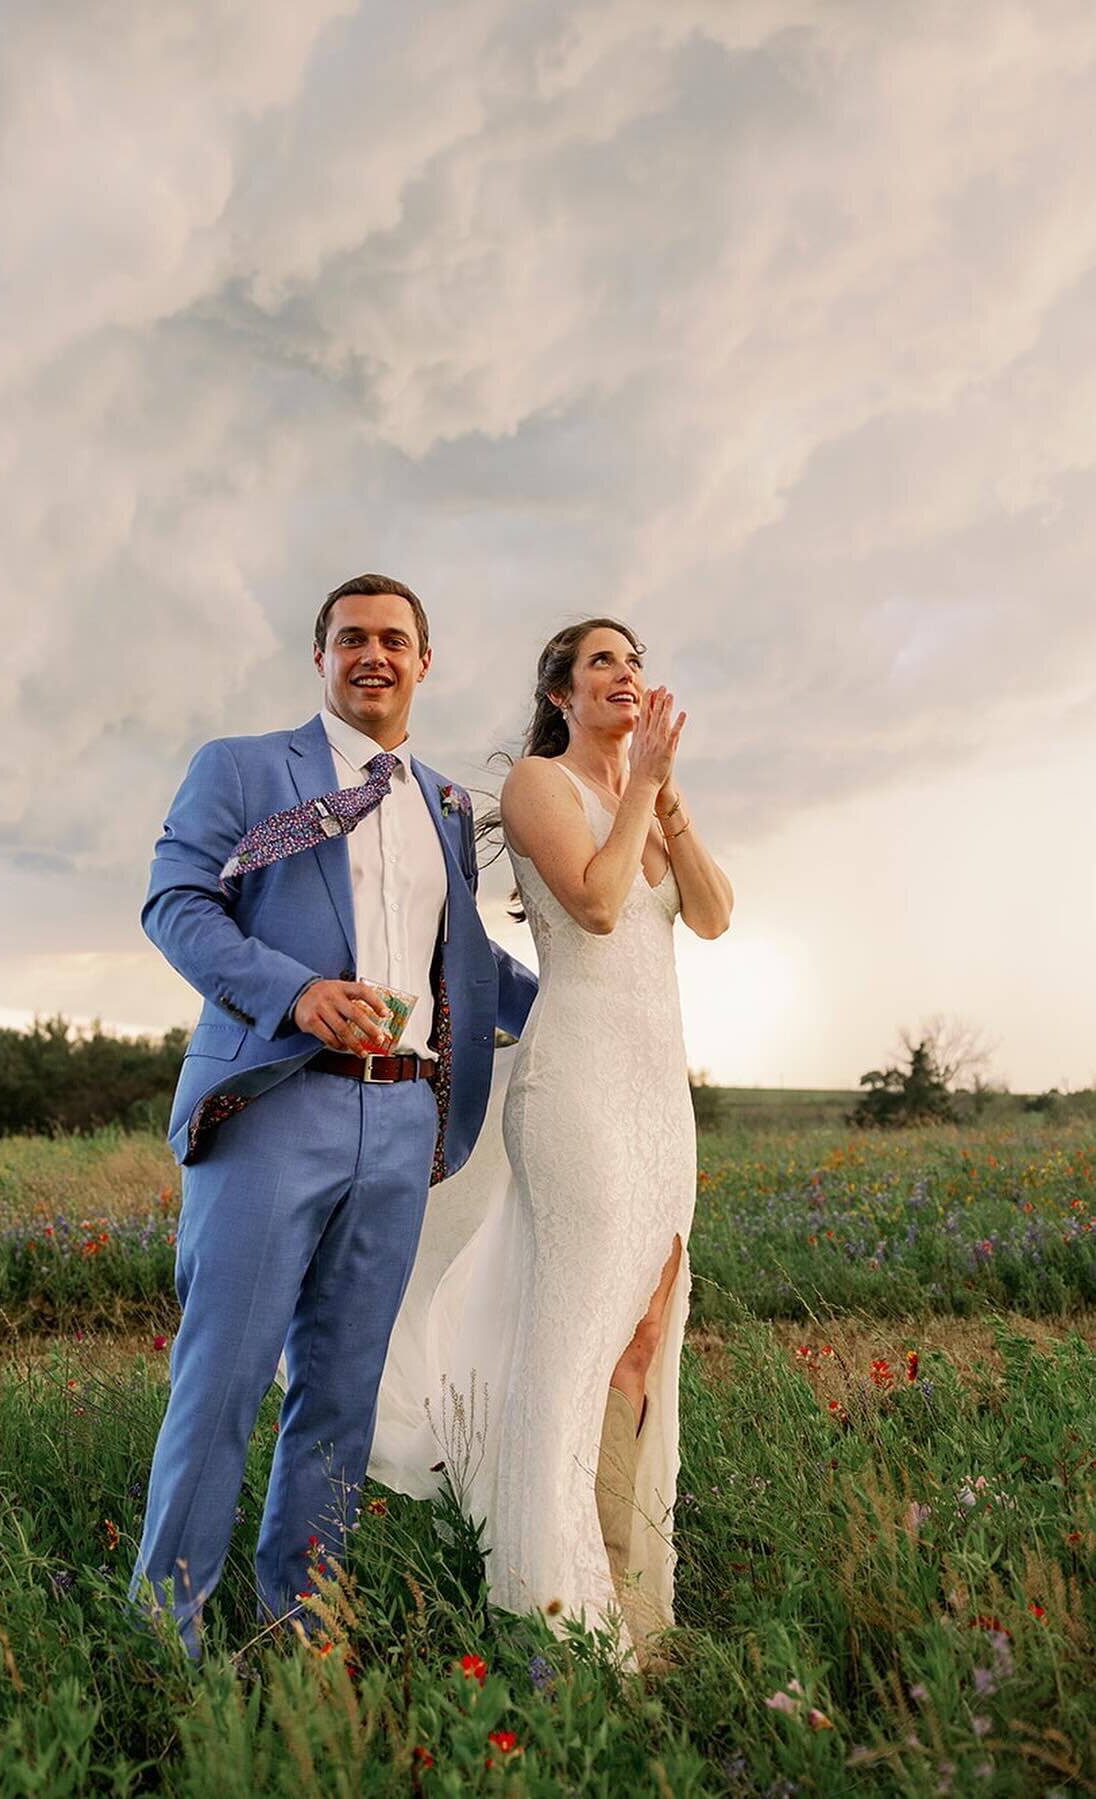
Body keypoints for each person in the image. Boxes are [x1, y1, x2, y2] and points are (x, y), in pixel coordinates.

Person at [129, 573, 539, 1652]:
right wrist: (293, 991)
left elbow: (471, 958)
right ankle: (163, 1637)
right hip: (274, 1106)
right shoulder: (245, 766)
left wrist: (592, 1007)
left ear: (424, 661)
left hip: (403, 1125)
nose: (374, 654)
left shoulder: (445, 803)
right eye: (351, 637)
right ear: (320, 657)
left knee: (340, 1401)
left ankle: (298, 1627)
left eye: (394, 640)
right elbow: (176, 901)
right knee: (220, 1384)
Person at [369, 618, 732, 1668]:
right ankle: (548, 1608)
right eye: (603, 662)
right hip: (575, 1088)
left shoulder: (646, 798)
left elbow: (707, 915)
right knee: (573, 1344)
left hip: (660, 1097)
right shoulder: (540, 781)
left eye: (636, 660)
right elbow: (599, 904)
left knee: (643, 1336)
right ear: (563, 693)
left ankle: (624, 1588)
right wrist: (633, 791)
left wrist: (669, 799)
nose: (627, 674)